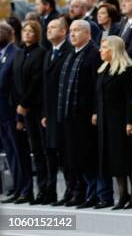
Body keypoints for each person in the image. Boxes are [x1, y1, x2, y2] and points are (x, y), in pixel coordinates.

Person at [58, 20, 108, 208]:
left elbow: (98, 86)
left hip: (86, 116)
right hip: (70, 115)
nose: (72, 34)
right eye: (71, 31)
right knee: (74, 157)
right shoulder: (72, 54)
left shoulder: (94, 54)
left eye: (77, 30)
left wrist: (96, 111)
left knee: (87, 156)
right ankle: (81, 192)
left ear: (87, 33)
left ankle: (93, 194)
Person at [94, 36, 132, 210]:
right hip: (107, 122)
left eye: (105, 47)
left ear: (114, 49)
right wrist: (96, 113)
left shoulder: (127, 70)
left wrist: (130, 121)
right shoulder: (104, 69)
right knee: (115, 159)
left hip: (122, 122)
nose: (101, 50)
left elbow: (130, 97)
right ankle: (122, 195)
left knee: (128, 158)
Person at [12, 20, 47, 204]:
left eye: (31, 31)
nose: (27, 33)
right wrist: (19, 109)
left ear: (37, 34)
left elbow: (36, 81)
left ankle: (43, 189)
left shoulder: (40, 53)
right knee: (29, 150)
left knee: (40, 150)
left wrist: (24, 103)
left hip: (35, 108)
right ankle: (28, 191)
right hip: (22, 109)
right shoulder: (19, 54)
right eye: (25, 30)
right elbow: (15, 82)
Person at [41, 18, 73, 206]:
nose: (49, 30)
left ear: (63, 32)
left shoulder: (68, 52)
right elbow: (45, 86)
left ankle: (72, 190)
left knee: (66, 152)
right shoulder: (48, 54)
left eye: (53, 27)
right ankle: (52, 191)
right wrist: (45, 113)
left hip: (64, 110)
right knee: (51, 152)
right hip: (50, 113)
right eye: (48, 27)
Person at [0, 22, 30, 205]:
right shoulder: (2, 55)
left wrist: (20, 115)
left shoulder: (15, 53)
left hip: (12, 111)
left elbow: (16, 85)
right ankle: (18, 187)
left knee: (19, 152)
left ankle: (26, 189)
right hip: (1, 112)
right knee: (11, 152)